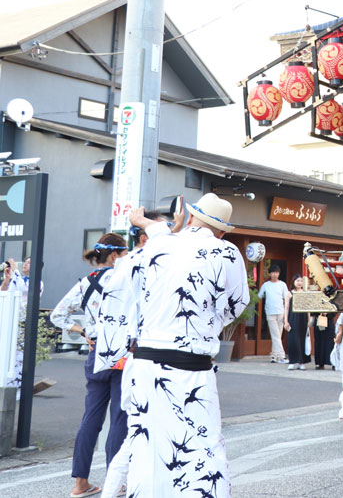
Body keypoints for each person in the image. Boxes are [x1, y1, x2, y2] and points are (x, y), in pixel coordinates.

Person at [95, 193, 249, 497]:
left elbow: (117, 287)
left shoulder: (158, 245)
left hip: (145, 364)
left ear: (191, 218)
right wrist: (209, 323)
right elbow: (235, 304)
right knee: (202, 448)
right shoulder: (226, 252)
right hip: (192, 366)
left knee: (142, 445)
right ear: (221, 230)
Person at [50, 234, 129, 498]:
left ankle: (80, 483)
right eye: (125, 253)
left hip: (96, 354)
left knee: (90, 419)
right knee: (119, 417)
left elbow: (57, 315)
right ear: (116, 255)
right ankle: (114, 482)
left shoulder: (85, 282)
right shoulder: (125, 279)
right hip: (121, 354)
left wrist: (82, 330)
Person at [1, 256, 43, 392]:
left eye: (30, 263)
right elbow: (3, 293)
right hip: (8, 320)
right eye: (26, 261)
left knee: (18, 358)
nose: (26, 264)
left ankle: (16, 390)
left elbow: (23, 288)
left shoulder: (38, 283)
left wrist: (15, 269)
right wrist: (7, 280)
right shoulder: (16, 278)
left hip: (22, 325)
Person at [259, 264, 290, 364]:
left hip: (280, 312)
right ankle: (282, 356)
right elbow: (259, 296)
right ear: (270, 274)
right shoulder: (266, 285)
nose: (275, 274)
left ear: (279, 273)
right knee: (276, 335)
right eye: (273, 272)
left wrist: (286, 314)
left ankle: (274, 355)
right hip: (270, 312)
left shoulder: (282, 285)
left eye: (276, 272)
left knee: (277, 335)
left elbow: (287, 298)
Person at [285, 275, 310, 370]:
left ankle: (301, 362)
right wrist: (285, 320)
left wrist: (309, 319)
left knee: (302, 339)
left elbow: (308, 307)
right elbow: (286, 307)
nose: (299, 282)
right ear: (293, 282)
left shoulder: (305, 293)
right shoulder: (289, 293)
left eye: (301, 281)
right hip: (293, 317)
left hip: (303, 318)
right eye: (297, 280)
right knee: (293, 340)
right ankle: (292, 361)